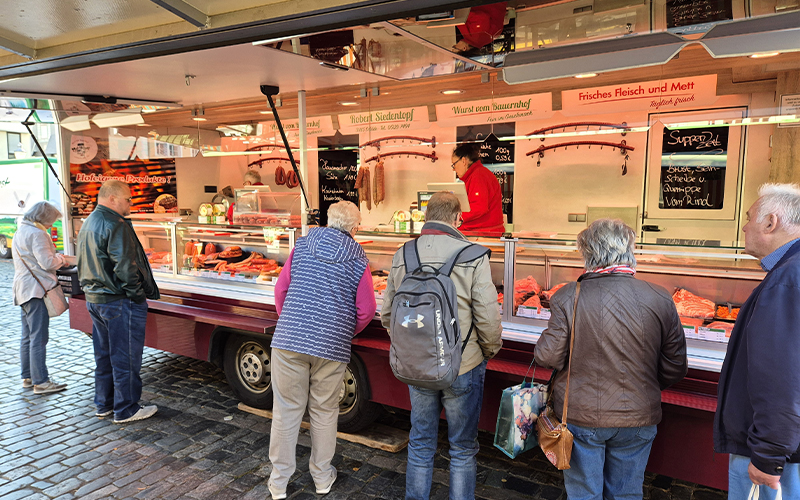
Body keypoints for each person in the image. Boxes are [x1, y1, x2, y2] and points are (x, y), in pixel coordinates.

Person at [535, 218, 687, 500]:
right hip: (640, 417)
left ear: (588, 254)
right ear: (630, 251)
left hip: (582, 417)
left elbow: (547, 356)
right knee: (627, 493)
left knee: (584, 494)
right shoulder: (660, 297)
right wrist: (643, 387)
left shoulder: (569, 295)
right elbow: (676, 366)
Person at [381, 191, 503, 500]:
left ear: (426, 217)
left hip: (417, 364)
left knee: (421, 441)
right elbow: (487, 318)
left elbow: (387, 315)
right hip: (464, 364)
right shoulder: (474, 254)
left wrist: (412, 347)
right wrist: (486, 352)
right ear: (457, 218)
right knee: (462, 447)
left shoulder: (403, 253)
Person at [267, 200, 376, 499]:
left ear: (328, 220)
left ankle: (278, 483)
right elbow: (366, 309)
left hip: (289, 341)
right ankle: (322, 478)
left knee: (286, 411)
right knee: (325, 411)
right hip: (331, 346)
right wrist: (343, 332)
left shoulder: (302, 245)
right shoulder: (358, 257)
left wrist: (289, 321)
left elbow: (281, 290)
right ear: (355, 228)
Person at [714, 183, 800, 499]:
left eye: (749, 218)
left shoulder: (789, 279)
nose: (746, 226)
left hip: (781, 454)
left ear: (770, 222)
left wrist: (768, 455)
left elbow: (783, 378)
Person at [76, 180, 160, 424]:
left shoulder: (90, 221)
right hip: (118, 300)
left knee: (104, 355)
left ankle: (104, 404)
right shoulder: (115, 223)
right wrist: (136, 295)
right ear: (112, 198)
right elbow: (125, 265)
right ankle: (126, 409)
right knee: (126, 358)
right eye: (127, 199)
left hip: (95, 299)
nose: (130, 204)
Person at [12, 201, 72, 394]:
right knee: (39, 336)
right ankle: (42, 382)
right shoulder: (38, 234)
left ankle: (28, 377)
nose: (51, 225)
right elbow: (47, 262)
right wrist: (61, 259)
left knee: (27, 336)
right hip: (36, 290)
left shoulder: (20, 231)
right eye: (51, 221)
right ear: (44, 219)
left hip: (23, 290)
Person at [450, 143, 505, 235]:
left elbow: (478, 208)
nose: (453, 169)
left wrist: (453, 216)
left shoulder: (478, 176)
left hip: (483, 234)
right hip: (482, 232)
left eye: (454, 164)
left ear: (463, 161)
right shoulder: (477, 174)